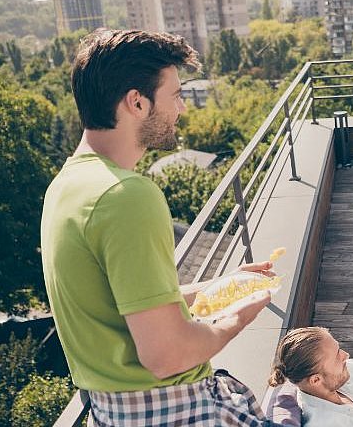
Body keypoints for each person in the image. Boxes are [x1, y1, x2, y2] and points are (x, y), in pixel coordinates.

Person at [41, 29, 276, 425]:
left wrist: (220, 287)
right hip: (177, 411)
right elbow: (168, 355)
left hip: (116, 414)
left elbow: (130, 308)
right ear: (137, 102)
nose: (181, 109)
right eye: (175, 96)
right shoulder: (127, 195)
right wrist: (237, 318)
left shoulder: (65, 188)